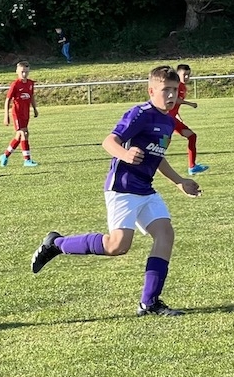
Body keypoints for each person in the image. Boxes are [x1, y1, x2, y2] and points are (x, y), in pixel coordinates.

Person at [29, 65, 202, 317]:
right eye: (166, 89)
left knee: (165, 235)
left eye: (175, 90)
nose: (171, 95)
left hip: (146, 189)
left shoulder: (168, 121)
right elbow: (109, 141)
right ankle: (56, 244)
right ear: (151, 91)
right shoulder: (139, 114)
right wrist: (125, 154)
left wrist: (179, 182)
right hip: (123, 187)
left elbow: (156, 156)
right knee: (117, 246)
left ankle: (149, 303)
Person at [169, 63, 208, 176]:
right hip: (167, 119)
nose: (186, 77)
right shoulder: (176, 86)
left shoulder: (182, 87)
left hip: (172, 119)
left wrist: (178, 117)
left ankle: (192, 167)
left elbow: (174, 106)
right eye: (184, 75)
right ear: (177, 74)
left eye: (188, 75)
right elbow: (175, 100)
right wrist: (190, 104)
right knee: (161, 144)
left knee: (192, 136)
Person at [0, 60, 39, 167]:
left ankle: (5, 155)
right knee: (24, 134)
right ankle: (27, 160)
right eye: (22, 72)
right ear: (17, 71)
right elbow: (7, 100)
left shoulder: (30, 83)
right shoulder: (15, 84)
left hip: (25, 113)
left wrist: (35, 109)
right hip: (17, 113)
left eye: (26, 71)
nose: (24, 74)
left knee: (19, 136)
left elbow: (31, 96)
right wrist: (6, 116)